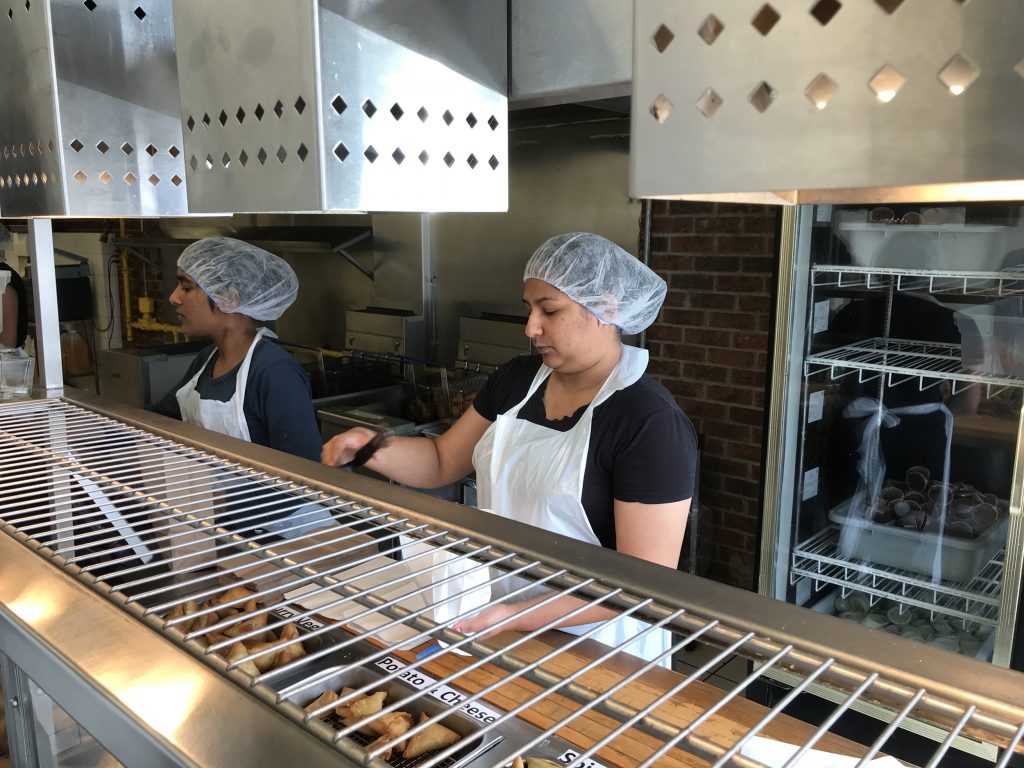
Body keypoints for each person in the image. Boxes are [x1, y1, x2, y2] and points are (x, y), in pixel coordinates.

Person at [322, 232, 698, 664]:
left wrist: (517, 616)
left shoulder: (649, 422)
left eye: (549, 311)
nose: (530, 328)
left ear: (607, 309)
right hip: (500, 618)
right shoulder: (517, 380)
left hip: (600, 649)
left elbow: (642, 585)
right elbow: (443, 460)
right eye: (529, 309)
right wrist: (371, 448)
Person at [154, 236, 321, 461]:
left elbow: (305, 472)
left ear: (229, 298)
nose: (174, 298)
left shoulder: (275, 372)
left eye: (186, 287)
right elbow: (161, 420)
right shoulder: (206, 360)